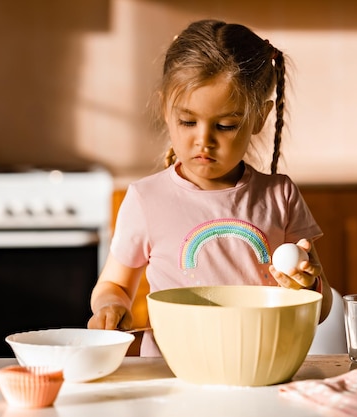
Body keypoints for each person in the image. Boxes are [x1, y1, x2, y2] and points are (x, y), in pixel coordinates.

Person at [88, 19, 332, 357]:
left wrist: (308, 286)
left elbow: (320, 308)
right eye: (188, 121)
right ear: (165, 109)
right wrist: (110, 308)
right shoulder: (146, 199)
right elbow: (114, 285)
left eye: (226, 125)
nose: (203, 140)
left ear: (259, 118)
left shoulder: (280, 195)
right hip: (172, 375)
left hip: (258, 367)